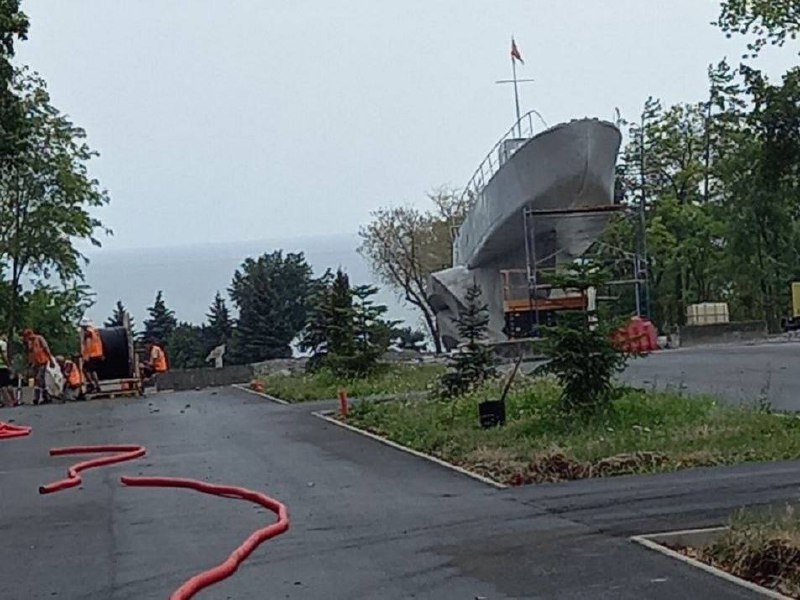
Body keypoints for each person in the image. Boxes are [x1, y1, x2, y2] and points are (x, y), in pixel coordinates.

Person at [22, 329, 54, 404]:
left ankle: (38, 397)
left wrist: (51, 360)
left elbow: (46, 348)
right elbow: (30, 353)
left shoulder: (39, 338)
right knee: (38, 380)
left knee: (39, 378)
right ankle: (44, 396)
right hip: (35, 363)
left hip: (42, 361)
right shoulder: (30, 342)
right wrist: (29, 363)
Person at [80, 319, 104, 392]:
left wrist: (86, 355)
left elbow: (88, 344)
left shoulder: (88, 333)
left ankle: (93, 385)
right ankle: (97, 386)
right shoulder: (94, 331)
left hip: (91, 354)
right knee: (92, 370)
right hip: (97, 353)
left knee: (86, 370)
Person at [0, 336, 15, 407]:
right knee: (8, 385)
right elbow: (4, 355)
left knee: (2, 385)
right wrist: (8, 365)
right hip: (3, 366)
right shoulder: (2, 343)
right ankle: (12, 401)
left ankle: (6, 402)